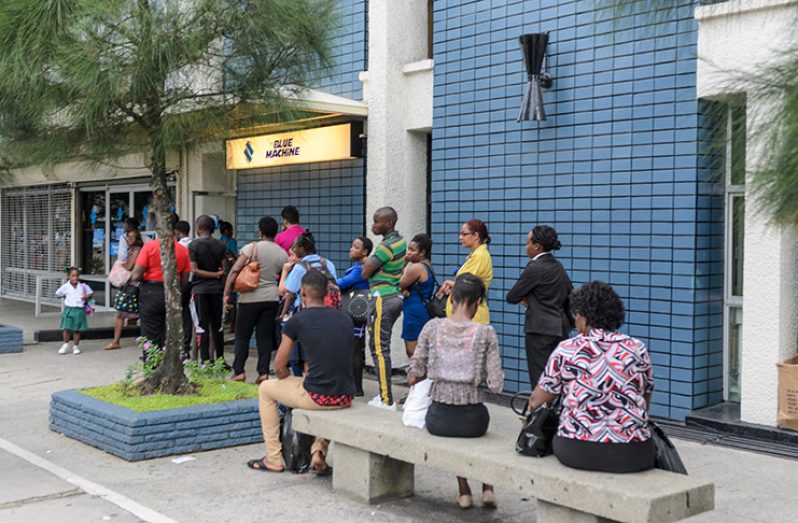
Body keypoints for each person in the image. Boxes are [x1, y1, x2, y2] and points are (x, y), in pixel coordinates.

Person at [527, 281, 655, 474]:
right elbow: (645, 399)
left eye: (575, 316)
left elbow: (537, 400)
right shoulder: (637, 348)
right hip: (633, 452)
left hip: (576, 449)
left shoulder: (567, 349)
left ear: (584, 318)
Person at [408, 273, 503, 510]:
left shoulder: (432, 327)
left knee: (455, 437)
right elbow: (496, 385)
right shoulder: (486, 333)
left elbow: (413, 374)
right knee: (481, 436)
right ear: (479, 302)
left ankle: (464, 492)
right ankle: (488, 488)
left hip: (439, 418)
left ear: (451, 298)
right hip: (473, 419)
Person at [246, 270, 356, 474]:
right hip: (345, 396)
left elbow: (279, 366)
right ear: (325, 293)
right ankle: (318, 452)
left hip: (316, 397)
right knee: (322, 389)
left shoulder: (298, 320)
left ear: (303, 292)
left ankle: (274, 458)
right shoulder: (345, 318)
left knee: (266, 389)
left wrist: (284, 378)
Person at [506, 225, 574, 386]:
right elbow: (568, 293)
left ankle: (541, 410)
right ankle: (554, 409)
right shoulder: (558, 266)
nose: (525, 246)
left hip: (539, 329)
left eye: (527, 242)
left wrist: (528, 299)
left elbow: (512, 296)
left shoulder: (535, 267)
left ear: (537, 246)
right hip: (559, 327)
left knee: (540, 376)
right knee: (557, 374)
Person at [224, 216, 288, 383]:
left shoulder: (251, 248)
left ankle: (239, 371)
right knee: (264, 337)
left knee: (242, 336)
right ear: (276, 231)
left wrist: (227, 294)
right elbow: (285, 276)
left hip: (249, 299)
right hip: (271, 298)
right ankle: (263, 372)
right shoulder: (282, 253)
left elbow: (234, 271)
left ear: (260, 231)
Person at [360, 206, 406, 410]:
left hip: (382, 298)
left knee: (379, 349)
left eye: (377, 221)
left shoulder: (386, 246)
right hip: (393, 296)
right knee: (381, 347)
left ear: (389, 223)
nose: (373, 225)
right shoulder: (401, 242)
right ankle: (384, 397)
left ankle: (386, 399)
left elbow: (365, 272)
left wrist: (371, 266)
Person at [130, 213, 191, 352]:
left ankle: (152, 368)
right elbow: (185, 281)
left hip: (151, 292)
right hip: (173, 294)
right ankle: (169, 365)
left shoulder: (150, 247)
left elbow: (136, 275)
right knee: (169, 334)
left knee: (150, 335)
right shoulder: (183, 250)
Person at [279, 232, 337, 377]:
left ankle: (301, 379)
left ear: (302, 249)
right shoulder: (327, 263)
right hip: (329, 311)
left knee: (299, 350)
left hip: (307, 313)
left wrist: (283, 313)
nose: (292, 249)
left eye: (295, 247)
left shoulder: (300, 267)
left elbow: (289, 292)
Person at [336, 236, 373, 396]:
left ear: (364, 252)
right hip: (356, 311)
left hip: (355, 314)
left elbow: (342, 283)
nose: (351, 249)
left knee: (355, 350)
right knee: (355, 350)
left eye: (356, 247)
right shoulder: (360, 266)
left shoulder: (360, 269)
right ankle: (354, 385)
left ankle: (356, 387)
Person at [437, 219, 492, 325]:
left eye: (464, 234)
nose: (460, 237)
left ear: (476, 235)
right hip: (465, 316)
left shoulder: (480, 256)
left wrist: (450, 284)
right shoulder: (476, 255)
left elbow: (467, 286)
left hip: (473, 318)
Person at [190, 215, 227, 364]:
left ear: (198, 227)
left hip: (200, 290)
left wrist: (213, 275)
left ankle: (204, 360)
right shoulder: (220, 245)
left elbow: (194, 270)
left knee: (202, 326)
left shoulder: (193, 246)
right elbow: (224, 269)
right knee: (218, 326)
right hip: (217, 290)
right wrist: (219, 278)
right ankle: (220, 359)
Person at [104, 229, 144, 350]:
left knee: (122, 313)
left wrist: (121, 265)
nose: (130, 240)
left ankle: (116, 341)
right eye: (128, 237)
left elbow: (129, 266)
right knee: (131, 314)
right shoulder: (132, 250)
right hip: (133, 284)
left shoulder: (136, 250)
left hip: (133, 285)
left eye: (133, 237)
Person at [399, 233, 435, 358]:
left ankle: (418, 377)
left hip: (413, 312)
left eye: (412, 250)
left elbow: (396, 285)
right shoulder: (428, 266)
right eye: (408, 249)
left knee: (412, 350)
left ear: (422, 252)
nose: (408, 253)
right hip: (423, 310)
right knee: (422, 350)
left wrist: (403, 265)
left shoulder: (416, 268)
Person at [55, 267, 93, 355]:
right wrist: (66, 297)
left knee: (77, 329)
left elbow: (90, 293)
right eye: (73, 276)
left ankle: (76, 346)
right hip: (69, 309)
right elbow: (58, 293)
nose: (75, 278)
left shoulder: (83, 286)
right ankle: (65, 344)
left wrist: (86, 296)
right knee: (66, 328)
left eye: (77, 276)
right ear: (68, 276)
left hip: (79, 310)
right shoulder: (66, 286)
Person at [175, 219, 193, 357]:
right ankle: (186, 346)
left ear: (178, 232)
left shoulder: (177, 246)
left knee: (175, 314)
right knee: (187, 314)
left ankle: (176, 346)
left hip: (179, 283)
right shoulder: (194, 244)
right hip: (192, 283)